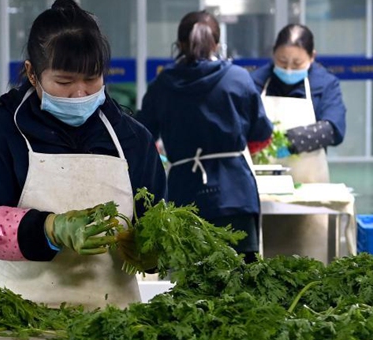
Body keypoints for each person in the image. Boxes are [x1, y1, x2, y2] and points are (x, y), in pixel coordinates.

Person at [0, 0, 166, 309]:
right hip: (13, 316)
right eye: (64, 81)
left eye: (92, 78)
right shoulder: (0, 133)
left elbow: (156, 222)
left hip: (112, 322)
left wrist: (150, 249)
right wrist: (49, 229)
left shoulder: (131, 139)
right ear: (32, 74)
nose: (80, 93)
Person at [135, 10, 273, 263]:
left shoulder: (162, 86)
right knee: (243, 282)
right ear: (218, 44)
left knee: (190, 286)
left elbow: (142, 139)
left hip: (184, 198)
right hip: (236, 198)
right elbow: (261, 135)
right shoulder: (239, 79)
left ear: (179, 45)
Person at [250, 24, 347, 262]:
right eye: (282, 62)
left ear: (312, 57)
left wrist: (289, 141)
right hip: (260, 187)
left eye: (297, 63)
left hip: (309, 186)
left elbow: (334, 128)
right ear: (273, 53)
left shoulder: (325, 83)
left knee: (308, 253)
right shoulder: (254, 82)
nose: (289, 68)